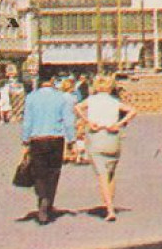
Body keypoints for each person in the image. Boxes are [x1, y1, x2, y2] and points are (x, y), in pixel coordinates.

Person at [20, 73, 77, 223]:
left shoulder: (31, 97)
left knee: (39, 172)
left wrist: (25, 140)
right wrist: (72, 140)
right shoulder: (61, 97)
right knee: (53, 172)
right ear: (52, 80)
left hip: (37, 139)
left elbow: (27, 121)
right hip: (56, 139)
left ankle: (42, 199)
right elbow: (68, 120)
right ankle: (48, 202)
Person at [77, 75, 135, 221]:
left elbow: (77, 107)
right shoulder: (114, 101)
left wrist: (88, 121)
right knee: (111, 173)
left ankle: (109, 209)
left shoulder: (91, 100)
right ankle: (110, 202)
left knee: (102, 175)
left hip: (97, 136)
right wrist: (119, 123)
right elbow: (132, 110)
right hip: (113, 137)